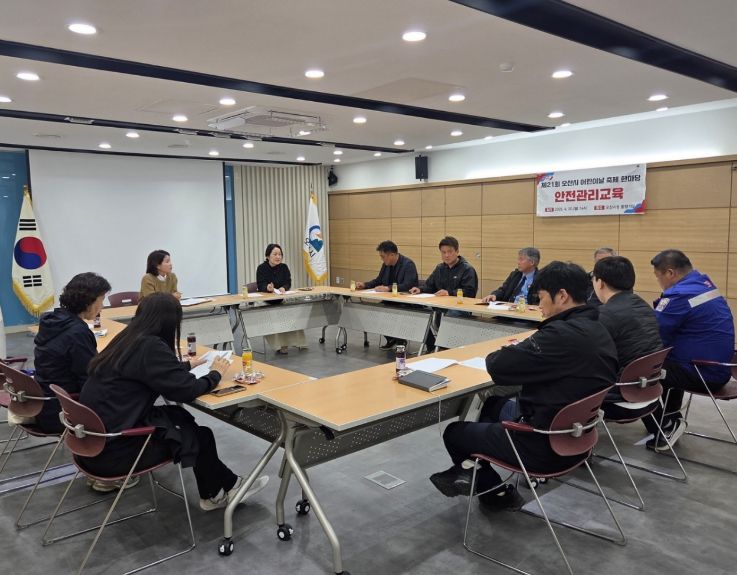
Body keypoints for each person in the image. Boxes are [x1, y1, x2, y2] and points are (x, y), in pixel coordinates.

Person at [430, 261, 617, 509]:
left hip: (541, 444)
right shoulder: (599, 329)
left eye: (541, 298)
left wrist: (522, 349)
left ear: (562, 296)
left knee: (455, 433)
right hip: (578, 436)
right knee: (493, 404)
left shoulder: (559, 335)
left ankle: (495, 494)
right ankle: (475, 472)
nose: (539, 306)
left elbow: (497, 365)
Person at [79, 293, 268, 510]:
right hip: (116, 450)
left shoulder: (129, 337)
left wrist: (186, 366)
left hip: (94, 440)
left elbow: (150, 371)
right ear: (170, 321)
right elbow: (186, 391)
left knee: (181, 418)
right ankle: (219, 493)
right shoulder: (150, 346)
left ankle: (224, 489)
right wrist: (215, 374)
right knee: (200, 436)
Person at [645, 249, 735, 450]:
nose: (658, 281)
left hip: (703, 373)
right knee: (667, 363)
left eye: (658, 276)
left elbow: (655, 334)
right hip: (720, 368)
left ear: (670, 273)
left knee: (641, 371)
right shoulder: (704, 284)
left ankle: (666, 425)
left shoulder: (679, 294)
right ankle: (670, 417)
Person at [34, 272, 111, 434]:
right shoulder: (77, 332)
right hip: (64, 412)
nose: (102, 306)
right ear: (89, 301)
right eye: (102, 299)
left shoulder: (52, 320)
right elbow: (89, 379)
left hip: (44, 404)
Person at [592, 256, 663, 420]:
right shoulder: (644, 306)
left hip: (618, 398)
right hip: (649, 390)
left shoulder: (605, 315)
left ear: (600, 283)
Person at [409, 236, 477, 349]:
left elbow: (470, 292)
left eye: (449, 252)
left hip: (459, 308)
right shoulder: (440, 268)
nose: (446, 255)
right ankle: (431, 344)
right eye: (443, 252)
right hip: (440, 306)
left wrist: (449, 292)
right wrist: (420, 289)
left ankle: (444, 346)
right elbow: (430, 285)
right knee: (415, 309)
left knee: (452, 314)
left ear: (457, 251)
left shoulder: (467, 269)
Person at [356, 240, 418, 350]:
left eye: (383, 256)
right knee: (374, 312)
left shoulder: (408, 265)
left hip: (405, 302)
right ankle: (391, 339)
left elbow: (408, 285)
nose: (382, 259)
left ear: (392, 255)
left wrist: (388, 288)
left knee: (392, 312)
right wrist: (365, 285)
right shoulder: (386, 265)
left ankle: (400, 340)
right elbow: (378, 280)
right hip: (390, 300)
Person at [256, 243, 307, 354]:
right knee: (274, 316)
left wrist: (284, 288)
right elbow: (260, 285)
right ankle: (279, 345)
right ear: (268, 256)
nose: (278, 257)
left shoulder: (284, 267)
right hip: (266, 301)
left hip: (281, 299)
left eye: (280, 254)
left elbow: (288, 282)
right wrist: (267, 288)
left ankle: (296, 342)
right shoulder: (261, 268)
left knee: (290, 314)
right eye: (275, 254)